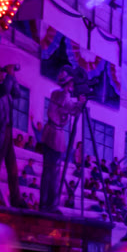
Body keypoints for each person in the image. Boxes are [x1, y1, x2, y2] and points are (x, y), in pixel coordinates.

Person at [37, 71, 88, 213]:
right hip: (55, 134)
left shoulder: (56, 93)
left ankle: (44, 204)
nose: (72, 84)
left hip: (49, 133)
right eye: (71, 82)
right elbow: (71, 109)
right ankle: (51, 206)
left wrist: (78, 103)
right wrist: (81, 102)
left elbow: (69, 107)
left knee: (48, 172)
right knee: (54, 173)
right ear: (67, 83)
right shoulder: (63, 95)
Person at [0, 63, 25, 207]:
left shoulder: (3, 87)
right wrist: (10, 75)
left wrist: (13, 76)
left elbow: (17, 94)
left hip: (7, 131)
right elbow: (5, 89)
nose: (2, 72)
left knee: (12, 168)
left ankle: (16, 199)